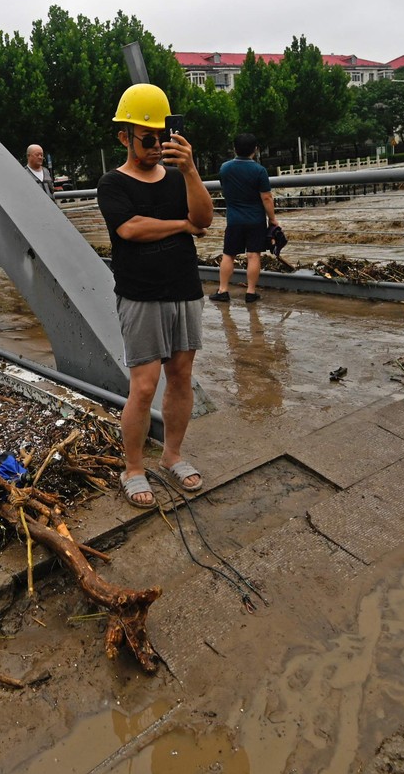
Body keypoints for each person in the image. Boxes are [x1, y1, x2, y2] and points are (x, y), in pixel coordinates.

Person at [96, 83, 213, 509]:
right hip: (141, 294)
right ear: (124, 136)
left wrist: (192, 170)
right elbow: (130, 228)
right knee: (143, 387)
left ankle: (172, 456)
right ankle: (133, 468)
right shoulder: (112, 183)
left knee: (181, 377)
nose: (156, 145)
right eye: (147, 137)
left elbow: (204, 218)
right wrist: (182, 227)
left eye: (162, 136)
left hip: (184, 288)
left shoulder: (179, 178)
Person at [212, 132, 278, 304]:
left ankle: (223, 290)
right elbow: (266, 197)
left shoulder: (225, 168)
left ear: (234, 149)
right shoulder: (259, 170)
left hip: (234, 220)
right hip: (255, 220)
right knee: (253, 255)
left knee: (228, 254)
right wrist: (272, 219)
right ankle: (250, 292)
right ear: (255, 149)